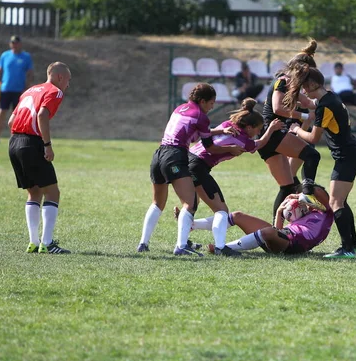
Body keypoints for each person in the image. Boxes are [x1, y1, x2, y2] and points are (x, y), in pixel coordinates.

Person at [136, 83, 244, 255]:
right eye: (211, 103)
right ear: (202, 101)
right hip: (175, 157)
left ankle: (143, 243)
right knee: (190, 202)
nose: (212, 107)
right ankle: (181, 246)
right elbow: (209, 148)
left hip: (158, 155)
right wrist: (230, 149)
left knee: (157, 203)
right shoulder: (201, 116)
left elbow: (195, 132)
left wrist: (220, 130)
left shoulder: (180, 108)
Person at [180, 98, 283, 256]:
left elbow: (208, 133)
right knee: (221, 210)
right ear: (248, 127)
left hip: (187, 159)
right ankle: (221, 248)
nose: (257, 133)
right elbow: (259, 144)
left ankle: (184, 239)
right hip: (198, 166)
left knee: (191, 205)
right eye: (257, 129)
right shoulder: (243, 140)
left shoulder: (228, 125)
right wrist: (271, 130)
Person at [286, 67, 356, 258]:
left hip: (346, 157)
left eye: (304, 86)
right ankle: (353, 244)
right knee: (341, 201)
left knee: (335, 202)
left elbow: (312, 138)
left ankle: (347, 249)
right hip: (349, 154)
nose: (303, 90)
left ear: (312, 84)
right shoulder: (330, 97)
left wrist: (296, 129)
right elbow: (312, 103)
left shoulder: (325, 106)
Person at [8, 62, 70, 254]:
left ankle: (34, 242)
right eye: (68, 80)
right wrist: (47, 145)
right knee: (52, 193)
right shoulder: (55, 91)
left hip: (14, 143)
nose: (68, 84)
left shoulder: (30, 91)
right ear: (60, 77)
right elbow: (42, 115)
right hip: (32, 144)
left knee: (33, 192)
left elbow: (11, 120)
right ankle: (48, 243)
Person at [259, 40, 324, 221]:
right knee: (312, 156)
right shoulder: (283, 81)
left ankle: (275, 230)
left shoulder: (292, 85)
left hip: (270, 138)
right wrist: (302, 117)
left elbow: (310, 103)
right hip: (273, 133)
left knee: (287, 186)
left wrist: (327, 100)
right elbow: (278, 108)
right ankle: (308, 193)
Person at [207, 185, 333, 255]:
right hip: (280, 239)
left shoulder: (327, 212)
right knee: (237, 216)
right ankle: (193, 225)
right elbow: (278, 230)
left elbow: (316, 190)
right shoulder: (303, 214)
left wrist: (298, 195)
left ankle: (224, 248)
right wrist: (279, 212)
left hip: (292, 246)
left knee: (268, 232)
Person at [0, 36, 34, 143]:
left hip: (19, 91)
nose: (14, 45)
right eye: (12, 43)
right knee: (1, 113)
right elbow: (0, 70)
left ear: (20, 44)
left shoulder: (26, 57)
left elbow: (30, 73)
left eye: (16, 43)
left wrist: (27, 88)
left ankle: (13, 138)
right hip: (5, 89)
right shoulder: (5, 55)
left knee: (17, 116)